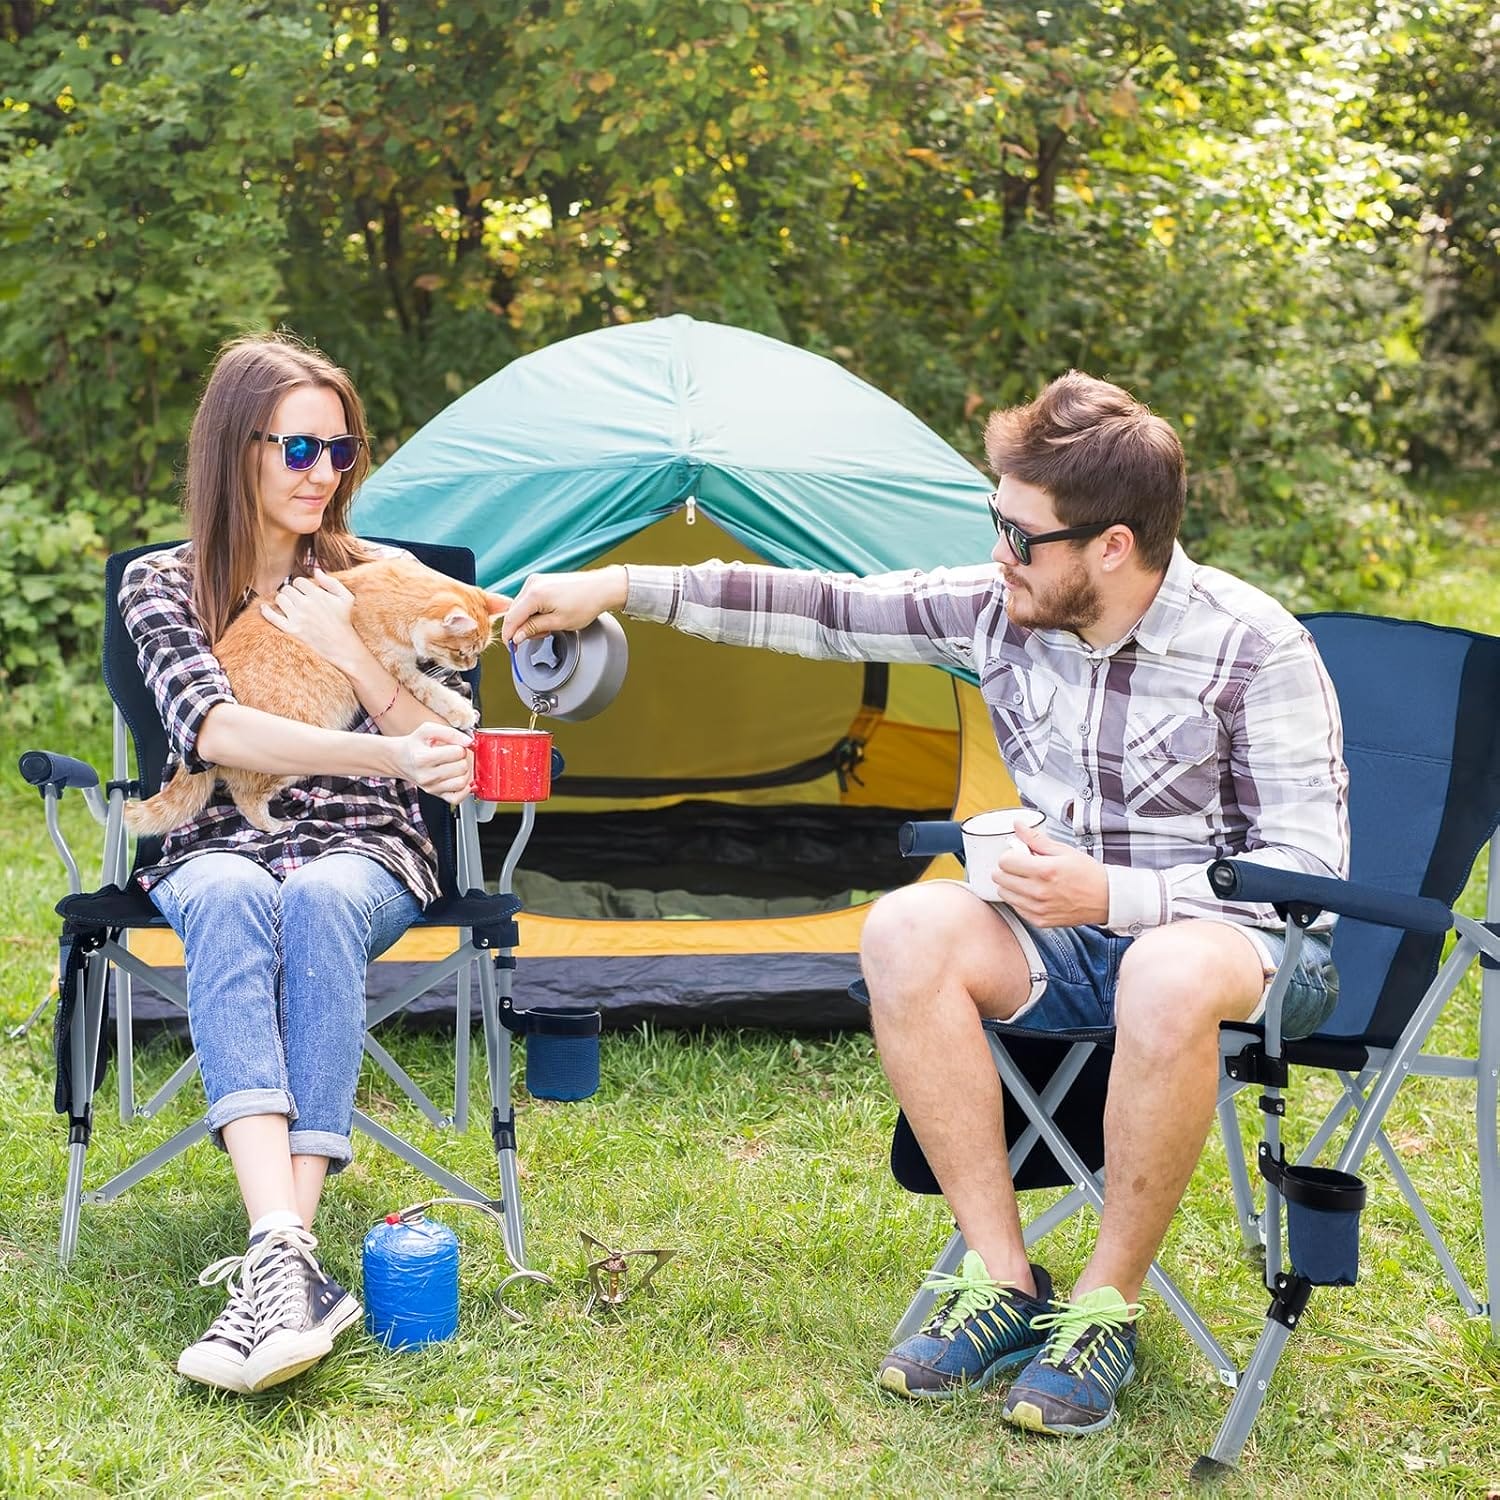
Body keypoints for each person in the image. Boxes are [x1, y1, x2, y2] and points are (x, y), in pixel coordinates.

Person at [500, 371, 1349, 1437]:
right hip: (1067, 932)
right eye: (996, 522)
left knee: (1166, 966)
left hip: (1240, 947)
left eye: (1021, 534)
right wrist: (618, 588)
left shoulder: (1251, 648)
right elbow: (822, 609)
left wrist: (1117, 892)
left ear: (1113, 547)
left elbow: (1307, 884)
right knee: (906, 923)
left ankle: (1107, 1306)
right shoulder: (1003, 610)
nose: (1000, 552)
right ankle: (1003, 1279)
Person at [120, 332, 489, 1395]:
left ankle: (281, 1263)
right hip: (217, 837)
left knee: (322, 896)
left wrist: (356, 660)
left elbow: (442, 747)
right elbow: (219, 731)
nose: (323, 473)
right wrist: (383, 745)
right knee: (235, 892)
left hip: (367, 844)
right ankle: (286, 1249)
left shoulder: (370, 576)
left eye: (342, 449)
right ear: (234, 450)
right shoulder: (162, 584)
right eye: (298, 449)